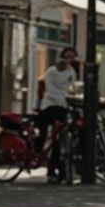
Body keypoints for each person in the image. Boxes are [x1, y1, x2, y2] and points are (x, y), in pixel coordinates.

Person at [37, 47, 79, 183]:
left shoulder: (71, 72)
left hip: (62, 106)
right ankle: (42, 156)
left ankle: (57, 168)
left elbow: (71, 87)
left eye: (71, 57)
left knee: (60, 138)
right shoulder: (51, 71)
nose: (68, 60)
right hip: (50, 105)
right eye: (66, 57)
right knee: (48, 134)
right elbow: (52, 89)